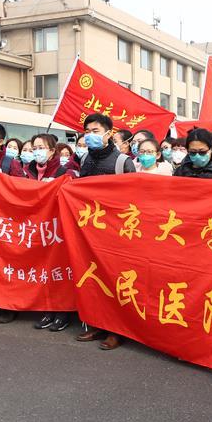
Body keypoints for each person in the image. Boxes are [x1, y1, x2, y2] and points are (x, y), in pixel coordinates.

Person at [76, 114, 135, 350]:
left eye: (96, 130)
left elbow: (133, 200)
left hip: (117, 232)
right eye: (87, 131)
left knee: (115, 280)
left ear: (109, 133)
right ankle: (97, 323)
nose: (91, 135)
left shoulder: (122, 162)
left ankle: (117, 330)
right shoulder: (84, 160)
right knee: (94, 279)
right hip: (91, 230)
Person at [22, 133, 79, 331]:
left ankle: (62, 313)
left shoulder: (65, 172)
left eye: (40, 147)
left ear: (52, 151)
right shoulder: (25, 171)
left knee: (58, 271)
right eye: (33, 147)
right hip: (35, 228)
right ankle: (47, 310)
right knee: (42, 270)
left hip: (57, 228)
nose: (37, 152)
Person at [79, 113, 136, 178]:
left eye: (95, 131)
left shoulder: (123, 161)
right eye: (87, 132)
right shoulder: (84, 158)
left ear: (108, 134)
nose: (90, 135)